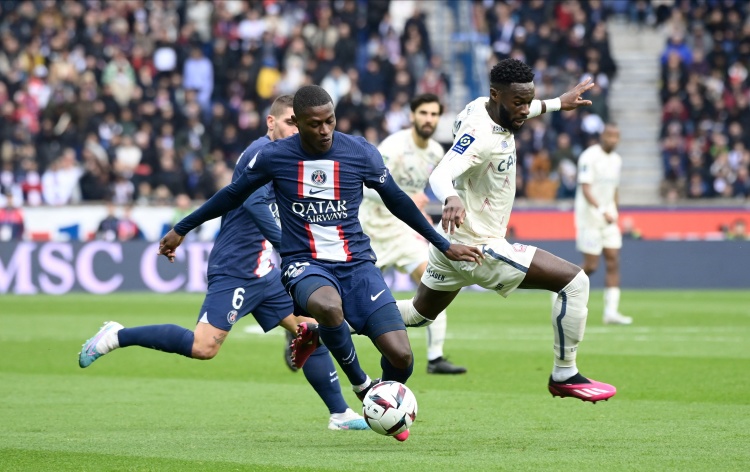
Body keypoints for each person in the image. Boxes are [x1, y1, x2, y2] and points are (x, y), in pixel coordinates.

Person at [158, 85, 484, 441]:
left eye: (330, 121)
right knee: (328, 307)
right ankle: (361, 385)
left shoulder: (359, 151)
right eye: (315, 124)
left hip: (357, 265)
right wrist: (181, 228)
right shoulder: (274, 157)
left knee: (402, 356)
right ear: (297, 123)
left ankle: (382, 404)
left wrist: (443, 244)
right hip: (304, 264)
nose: (325, 130)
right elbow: (232, 194)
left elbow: (397, 200)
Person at [79, 95, 369, 432]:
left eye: (298, 123)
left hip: (265, 271)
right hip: (237, 269)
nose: (296, 129)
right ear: (271, 122)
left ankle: (340, 413)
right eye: (289, 122)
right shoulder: (260, 154)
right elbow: (256, 204)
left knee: (311, 329)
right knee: (203, 347)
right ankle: (117, 335)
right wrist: (290, 248)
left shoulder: (292, 156)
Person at [396, 59, 617, 403]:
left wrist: (557, 103)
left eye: (529, 100)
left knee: (417, 314)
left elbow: (525, 106)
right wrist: (451, 196)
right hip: (478, 246)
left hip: (449, 243)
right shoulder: (481, 135)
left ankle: (325, 324)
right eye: (518, 102)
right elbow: (440, 174)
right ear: (495, 95)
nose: (525, 110)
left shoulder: (486, 107)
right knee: (575, 282)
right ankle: (565, 374)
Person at [359, 93, 466, 375]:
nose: (428, 119)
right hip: (371, 232)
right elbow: (367, 187)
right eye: (423, 113)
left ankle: (435, 358)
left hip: (403, 231)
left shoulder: (436, 152)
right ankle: (309, 330)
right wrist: (406, 198)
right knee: (355, 299)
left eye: (434, 114)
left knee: (436, 282)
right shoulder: (393, 146)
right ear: (412, 116)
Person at [575, 123, 633, 325]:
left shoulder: (617, 160)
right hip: (590, 218)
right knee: (592, 265)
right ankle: (562, 284)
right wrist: (602, 210)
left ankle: (611, 312)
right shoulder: (589, 156)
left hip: (608, 218)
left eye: (616, 137)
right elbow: (586, 188)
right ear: (602, 136)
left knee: (613, 260)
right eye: (609, 136)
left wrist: (615, 210)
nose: (613, 140)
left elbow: (614, 188)